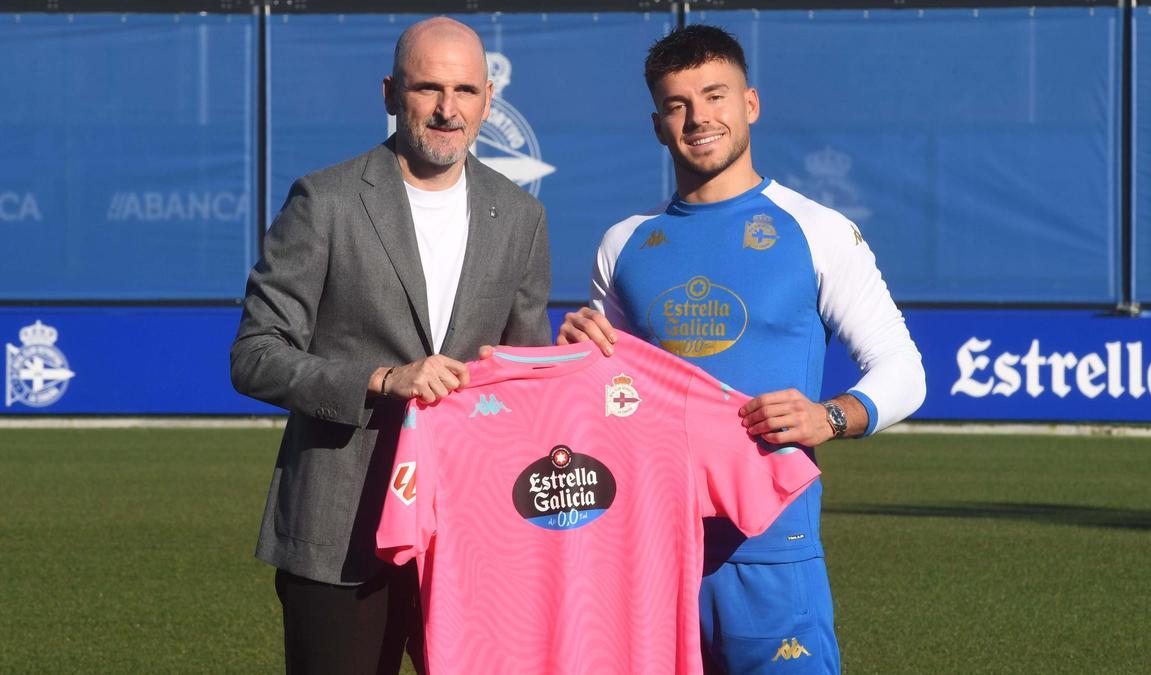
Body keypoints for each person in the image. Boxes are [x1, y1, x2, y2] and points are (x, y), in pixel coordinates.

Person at [557, 25, 926, 673]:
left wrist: (830, 415)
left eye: (715, 95)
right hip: (645, 559)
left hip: (773, 557)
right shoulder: (624, 243)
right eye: (678, 104)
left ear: (749, 104)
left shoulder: (818, 231)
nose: (699, 117)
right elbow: (599, 401)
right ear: (657, 124)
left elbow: (905, 371)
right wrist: (574, 358)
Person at [230, 17, 550, 675]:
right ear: (389, 93)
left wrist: (569, 357)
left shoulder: (520, 215)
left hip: (471, 537)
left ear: (488, 99)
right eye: (427, 87)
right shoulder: (325, 202)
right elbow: (256, 353)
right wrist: (381, 379)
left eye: (464, 90)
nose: (447, 108)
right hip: (340, 531)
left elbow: (524, 384)